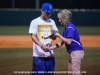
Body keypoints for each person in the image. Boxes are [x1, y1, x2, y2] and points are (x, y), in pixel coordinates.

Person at [46, 9, 84, 75]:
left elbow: (68, 42)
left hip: (76, 52)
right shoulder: (66, 28)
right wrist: (49, 48)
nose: (59, 20)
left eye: (60, 18)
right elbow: (61, 43)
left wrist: (58, 35)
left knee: (75, 73)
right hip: (72, 53)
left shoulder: (70, 27)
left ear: (64, 18)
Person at [28, 3, 59, 75]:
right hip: (38, 55)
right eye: (48, 12)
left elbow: (54, 37)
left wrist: (54, 36)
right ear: (42, 11)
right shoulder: (35, 22)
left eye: (50, 13)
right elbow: (33, 36)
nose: (49, 14)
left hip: (50, 54)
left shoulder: (52, 22)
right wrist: (42, 45)